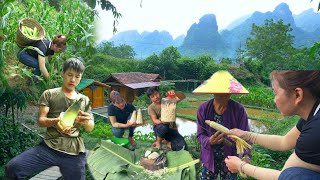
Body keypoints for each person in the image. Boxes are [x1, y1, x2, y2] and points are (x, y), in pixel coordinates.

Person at [5, 58, 95, 180]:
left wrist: (86, 121)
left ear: (81, 77)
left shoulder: (84, 100)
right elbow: (41, 121)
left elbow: (90, 128)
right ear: (63, 73)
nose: (73, 79)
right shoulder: (49, 94)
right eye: (69, 75)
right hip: (49, 147)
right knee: (13, 167)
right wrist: (55, 122)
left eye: (77, 76)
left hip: (74, 152)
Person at [224, 70, 320, 180]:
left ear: (297, 94)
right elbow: (284, 142)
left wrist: (241, 166)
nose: (274, 100)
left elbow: (287, 176)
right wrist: (247, 135)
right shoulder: (312, 113)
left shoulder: (315, 132)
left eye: (275, 93)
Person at [194, 70, 251, 180]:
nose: (223, 97)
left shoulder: (238, 110)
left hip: (230, 157)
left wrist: (246, 156)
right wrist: (209, 141)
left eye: (226, 94)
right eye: (219, 95)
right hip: (209, 158)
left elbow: (246, 136)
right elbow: (200, 135)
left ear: (231, 93)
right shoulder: (203, 109)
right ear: (213, 92)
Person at [146, 86, 187, 151]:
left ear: (159, 93)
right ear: (150, 99)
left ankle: (167, 142)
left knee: (183, 146)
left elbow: (182, 96)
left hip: (172, 129)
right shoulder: (151, 107)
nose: (156, 97)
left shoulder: (168, 100)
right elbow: (155, 120)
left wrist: (175, 93)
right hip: (160, 130)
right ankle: (158, 142)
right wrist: (163, 121)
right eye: (152, 96)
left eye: (156, 94)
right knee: (163, 127)